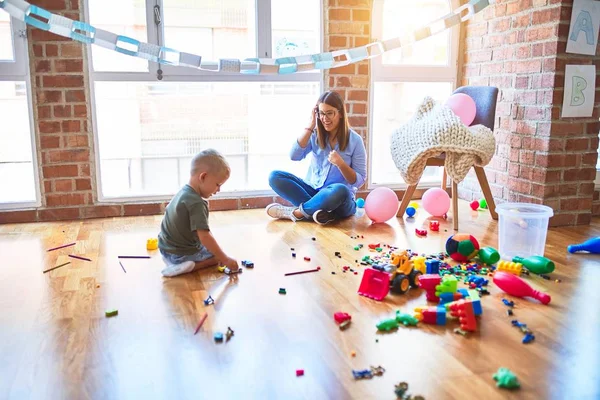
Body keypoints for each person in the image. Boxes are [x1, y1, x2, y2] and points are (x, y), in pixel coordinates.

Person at [266, 90, 367, 225]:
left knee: (340, 189)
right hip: (313, 193)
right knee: (275, 176)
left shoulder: (355, 140)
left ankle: (296, 213)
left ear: (341, 113)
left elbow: (359, 181)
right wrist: (310, 126)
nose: (325, 118)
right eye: (321, 113)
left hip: (340, 200)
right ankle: (320, 213)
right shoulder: (314, 135)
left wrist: (341, 164)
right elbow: (294, 156)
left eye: (329, 113)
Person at [158, 149, 239, 277]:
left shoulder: (184, 192)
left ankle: (174, 261)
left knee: (214, 249)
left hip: (165, 249)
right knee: (217, 257)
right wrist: (225, 259)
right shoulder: (196, 203)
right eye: (218, 184)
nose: (219, 190)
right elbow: (205, 236)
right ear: (203, 177)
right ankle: (187, 266)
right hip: (180, 255)